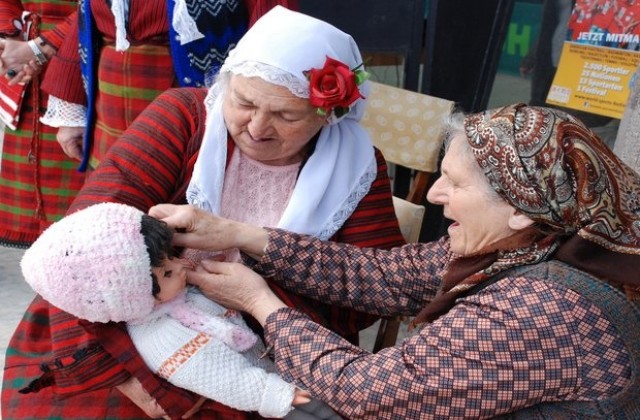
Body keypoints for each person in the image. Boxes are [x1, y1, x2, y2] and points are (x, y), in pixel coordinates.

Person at [2, 6, 405, 419]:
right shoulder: (183, 117)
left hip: (255, 344)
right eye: (244, 102)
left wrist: (259, 293)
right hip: (117, 319)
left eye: (286, 115)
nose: (257, 127)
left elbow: (368, 295)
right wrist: (121, 374)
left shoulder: (353, 167)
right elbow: (80, 239)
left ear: (328, 114)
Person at [154, 103, 640, 418]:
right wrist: (238, 234)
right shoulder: (543, 233)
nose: (436, 195)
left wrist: (261, 305)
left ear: (516, 208)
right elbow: (385, 276)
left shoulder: (542, 308)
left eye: (455, 183)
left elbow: (366, 393)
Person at [20, 202, 303, 418]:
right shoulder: (162, 338)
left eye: (171, 258)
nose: (180, 266)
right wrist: (275, 394)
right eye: (167, 272)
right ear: (136, 297)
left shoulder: (176, 298)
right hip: (263, 398)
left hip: (275, 375)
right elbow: (221, 377)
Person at [39, 0, 297, 172]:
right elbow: (85, 18)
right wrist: (71, 110)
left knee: (186, 203)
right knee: (114, 199)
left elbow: (273, 21)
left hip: (200, 93)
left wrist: (261, 101)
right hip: (111, 94)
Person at [0, 0, 86, 248]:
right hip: (24, 54)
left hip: (88, 55)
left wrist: (41, 47)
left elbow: (100, 7)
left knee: (85, 218)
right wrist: (11, 33)